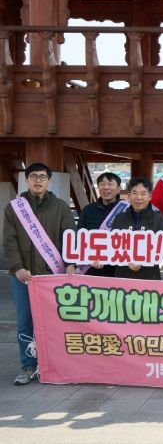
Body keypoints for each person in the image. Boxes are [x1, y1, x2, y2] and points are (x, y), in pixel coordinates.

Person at [3, 163, 76, 385]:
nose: (38, 180)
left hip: (53, 276)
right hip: (24, 276)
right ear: (26, 179)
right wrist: (17, 267)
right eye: (33, 176)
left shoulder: (61, 207)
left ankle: (54, 365)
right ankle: (28, 366)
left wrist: (71, 263)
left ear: (49, 180)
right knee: (25, 322)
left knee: (55, 321)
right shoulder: (14, 208)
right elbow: (9, 240)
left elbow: (69, 237)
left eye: (42, 176)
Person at [112, 177, 163, 280]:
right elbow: (113, 245)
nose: (139, 197)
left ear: (150, 196)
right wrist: (127, 261)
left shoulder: (160, 219)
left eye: (143, 193)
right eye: (134, 193)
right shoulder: (119, 218)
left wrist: (142, 262)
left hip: (150, 276)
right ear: (129, 196)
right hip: (122, 275)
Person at [77, 172, 128, 277]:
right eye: (102, 184)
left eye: (110, 184)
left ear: (118, 189)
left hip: (119, 268)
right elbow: (79, 236)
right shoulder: (88, 210)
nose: (106, 187)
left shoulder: (127, 210)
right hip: (92, 265)